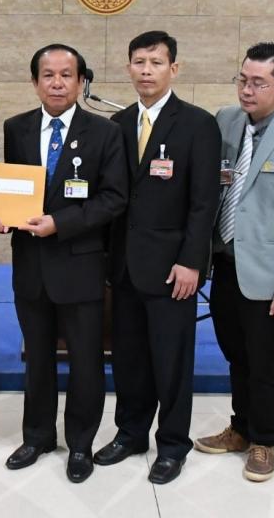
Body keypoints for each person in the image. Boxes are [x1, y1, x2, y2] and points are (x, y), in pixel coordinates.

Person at [193, 42, 274, 482]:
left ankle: (264, 440)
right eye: (243, 80)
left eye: (259, 83)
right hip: (225, 263)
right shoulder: (226, 121)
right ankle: (241, 427)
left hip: (270, 276)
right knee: (235, 353)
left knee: (264, 359)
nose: (247, 91)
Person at [93, 31, 222, 485]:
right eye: (139, 62)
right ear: (128, 67)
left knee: (172, 362)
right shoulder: (117, 123)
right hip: (125, 265)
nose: (146, 70)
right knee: (129, 358)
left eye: (156, 62)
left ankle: (172, 445)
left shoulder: (198, 125)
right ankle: (130, 433)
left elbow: (204, 202)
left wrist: (192, 262)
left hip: (173, 269)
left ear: (174, 69)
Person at [0, 44, 127, 483]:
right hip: (30, 267)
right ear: (35, 82)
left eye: (66, 75)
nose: (57, 83)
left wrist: (61, 223)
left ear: (81, 81)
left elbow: (114, 198)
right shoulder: (16, 128)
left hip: (80, 265)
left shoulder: (105, 132)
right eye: (48, 75)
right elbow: (11, 192)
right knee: (37, 358)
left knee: (86, 362)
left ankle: (81, 443)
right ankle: (36, 437)